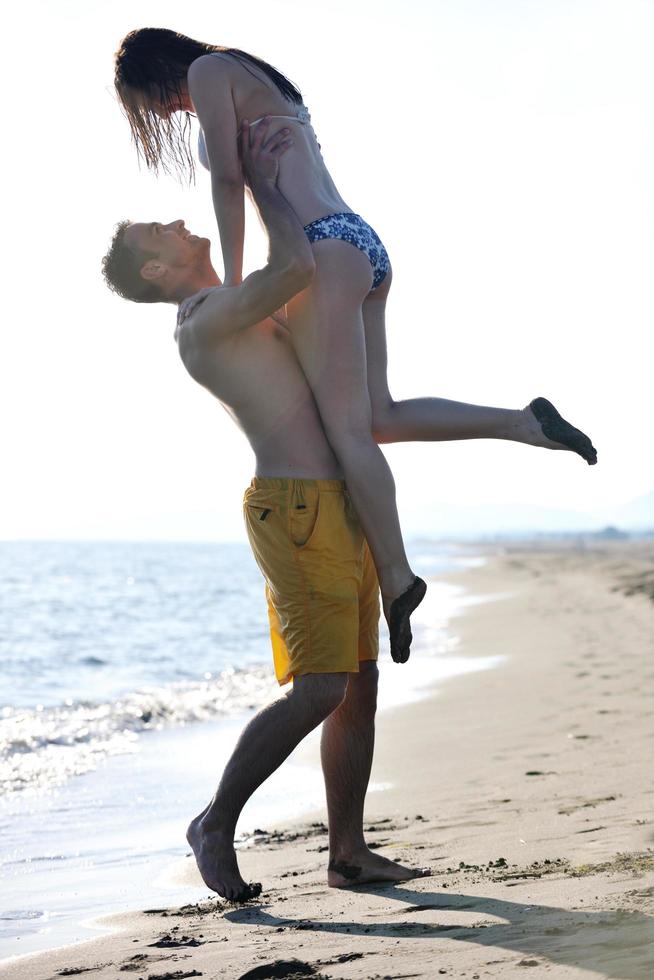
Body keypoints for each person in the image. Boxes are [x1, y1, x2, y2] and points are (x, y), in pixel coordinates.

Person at [102, 122, 595, 901]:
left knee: (358, 682)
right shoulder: (202, 322)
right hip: (294, 511)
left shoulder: (229, 302)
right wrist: (265, 183)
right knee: (322, 686)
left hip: (340, 502)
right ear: (157, 269)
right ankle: (214, 822)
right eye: (154, 232)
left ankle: (349, 853)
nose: (172, 220)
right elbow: (298, 261)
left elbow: (344, 363)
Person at [113, 28, 596, 662]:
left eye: (155, 102)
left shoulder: (206, 72)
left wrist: (233, 287)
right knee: (377, 416)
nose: (168, 113)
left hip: (321, 249)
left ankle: (397, 579)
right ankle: (524, 423)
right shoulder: (249, 71)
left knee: (348, 434)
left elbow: (229, 183)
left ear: (157, 71)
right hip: (358, 240)